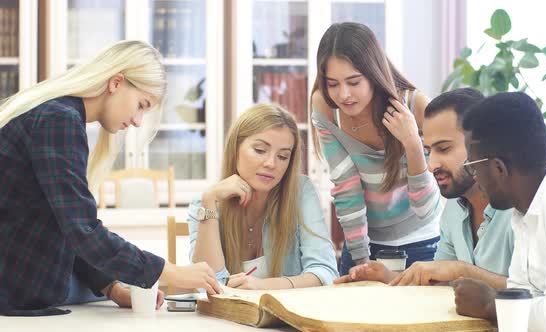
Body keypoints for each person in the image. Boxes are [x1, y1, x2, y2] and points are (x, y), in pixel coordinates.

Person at [0, 40, 220, 316]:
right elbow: (84, 231)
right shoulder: (59, 120)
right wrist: (172, 272)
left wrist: (112, 289)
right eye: (141, 105)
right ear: (116, 83)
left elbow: (67, 226)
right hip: (13, 292)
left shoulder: (58, 115)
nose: (139, 121)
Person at [335, 88, 513, 289]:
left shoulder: (518, 210)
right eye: (428, 151)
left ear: (482, 144)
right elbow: (439, 285)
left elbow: (535, 295)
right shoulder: (454, 207)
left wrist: (461, 271)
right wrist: (388, 278)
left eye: (444, 149)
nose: (432, 165)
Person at [310, 22, 442, 276]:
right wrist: (361, 260)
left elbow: (426, 209)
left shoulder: (416, 107)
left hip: (422, 243)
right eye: (332, 83)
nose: (343, 94)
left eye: (353, 81)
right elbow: (346, 187)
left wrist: (413, 143)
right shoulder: (326, 108)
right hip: (364, 245)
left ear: (374, 73)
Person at [452, 92, 546, 332]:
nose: (473, 177)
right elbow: (522, 295)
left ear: (498, 168)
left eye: (473, 166)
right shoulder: (523, 209)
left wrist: (489, 303)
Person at [188, 103, 338, 289]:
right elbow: (208, 283)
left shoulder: (301, 192)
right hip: (229, 316)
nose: (271, 163)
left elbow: (325, 272)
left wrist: (263, 286)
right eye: (260, 150)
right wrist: (209, 201)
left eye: (283, 156)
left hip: (288, 315)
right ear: (235, 148)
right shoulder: (205, 203)